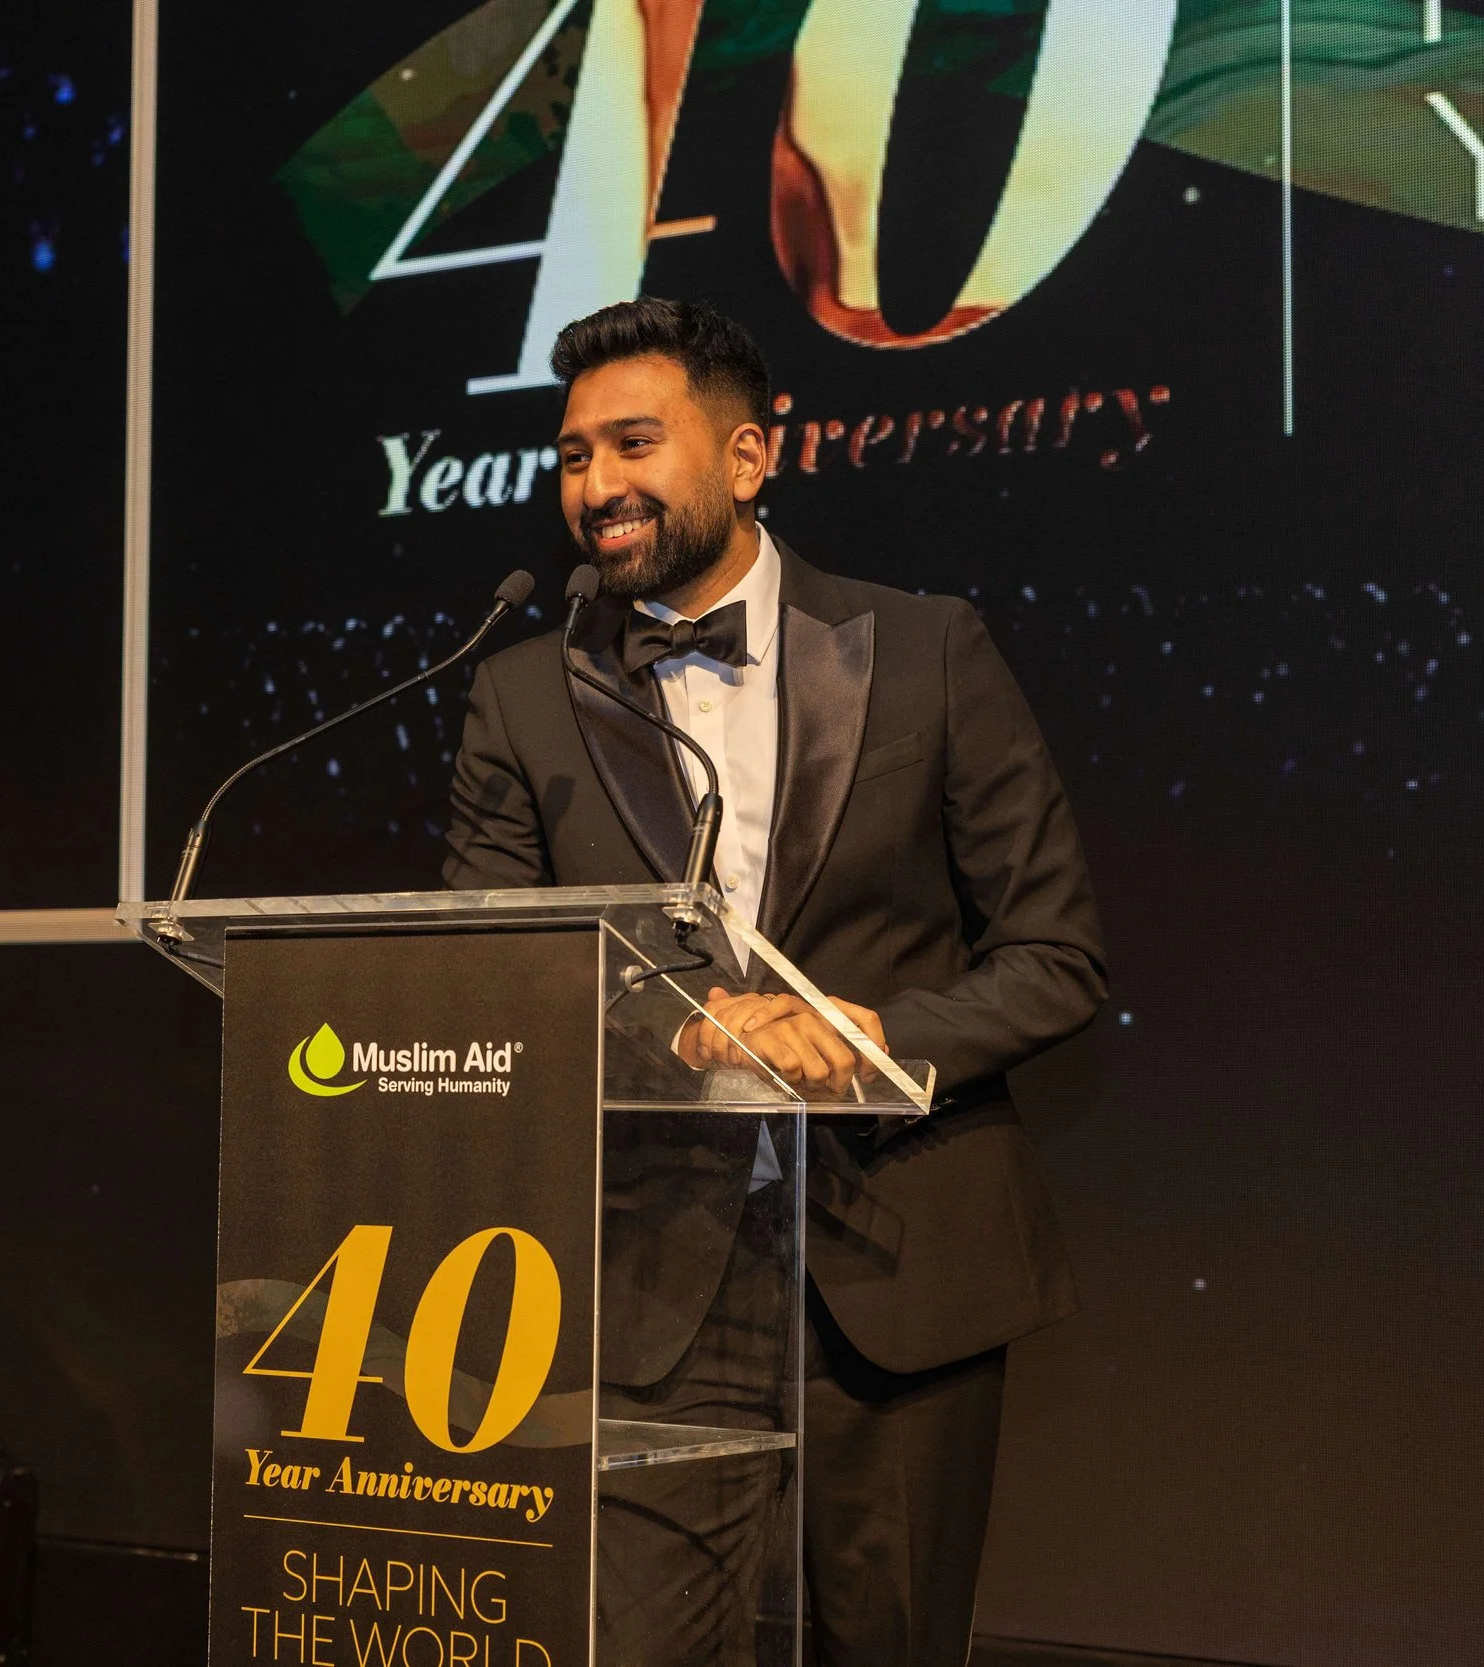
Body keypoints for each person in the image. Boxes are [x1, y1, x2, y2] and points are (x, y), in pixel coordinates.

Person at [443, 298, 1106, 1665]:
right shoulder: (521, 694)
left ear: (749, 458)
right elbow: (492, 975)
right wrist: (666, 1026)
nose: (598, 486)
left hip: (899, 1257)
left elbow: (1055, 956)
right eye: (573, 456)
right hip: (649, 1277)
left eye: (635, 441)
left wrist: (871, 1031)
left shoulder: (927, 648)